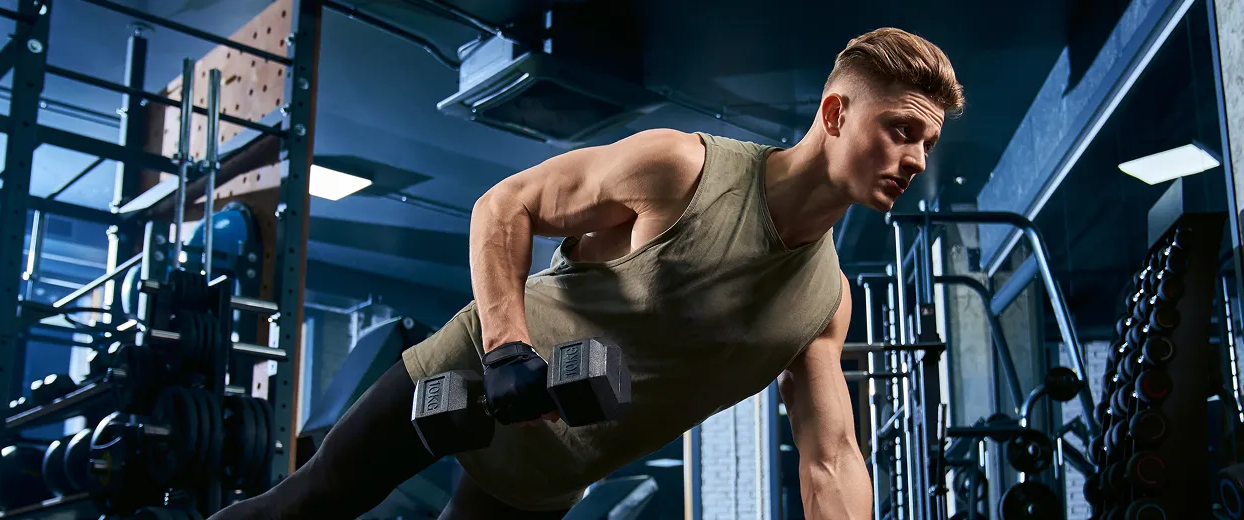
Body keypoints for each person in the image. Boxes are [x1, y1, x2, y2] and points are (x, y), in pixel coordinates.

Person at [210, 26, 964, 520]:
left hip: (550, 474)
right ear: (834, 113)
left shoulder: (825, 304)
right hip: (472, 372)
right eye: (901, 130)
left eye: (927, 143)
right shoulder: (683, 168)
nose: (916, 160)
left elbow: (830, 459)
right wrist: (508, 346)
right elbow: (506, 205)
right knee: (307, 505)